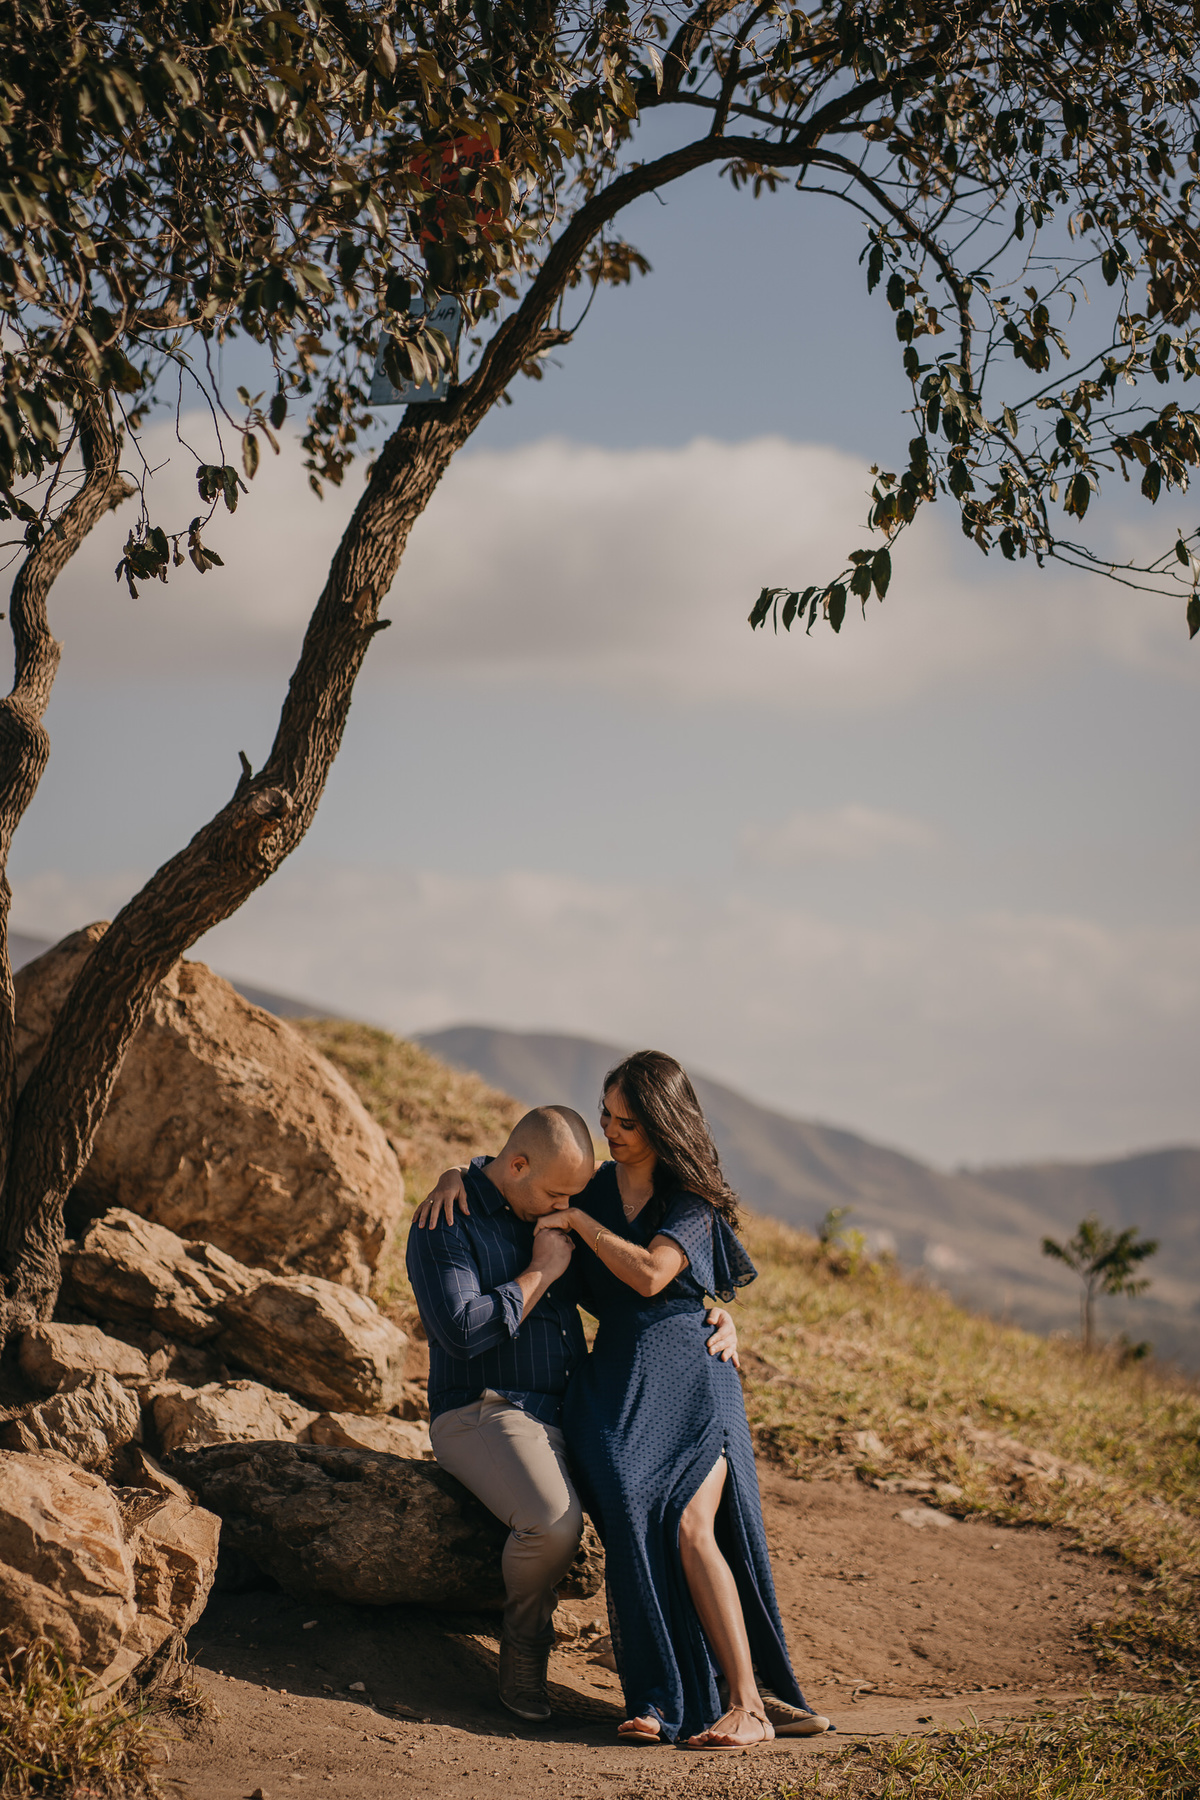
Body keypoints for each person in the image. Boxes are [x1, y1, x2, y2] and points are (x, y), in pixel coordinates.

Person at [422, 1053, 830, 1751]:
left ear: (663, 1123)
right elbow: (520, 1168)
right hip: (613, 1381)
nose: (611, 1131)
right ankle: (664, 1698)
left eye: (627, 1121)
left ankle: (747, 1700)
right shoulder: (594, 1189)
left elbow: (650, 1277)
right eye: (606, 1114)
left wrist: (582, 1228)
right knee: (635, 1521)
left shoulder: (688, 1200)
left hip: (691, 1367)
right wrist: (457, 1169)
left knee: (694, 1525)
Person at [405, 1102, 740, 1726]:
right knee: (554, 1527)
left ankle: (715, 1686)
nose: (566, 1205)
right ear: (519, 1164)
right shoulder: (445, 1221)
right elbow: (462, 1332)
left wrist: (712, 1312)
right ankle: (525, 1650)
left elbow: (634, 1283)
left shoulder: (552, 1213)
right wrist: (539, 1272)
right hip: (484, 1410)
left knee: (658, 1509)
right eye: (558, 1192)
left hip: (573, 1411)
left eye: (575, 1194)